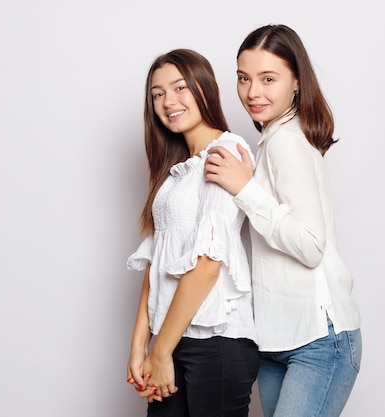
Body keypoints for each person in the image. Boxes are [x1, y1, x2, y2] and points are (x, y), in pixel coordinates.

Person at [204, 24, 362, 417]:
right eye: (244, 78)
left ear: (296, 82)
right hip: (276, 340)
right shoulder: (273, 140)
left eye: (268, 79)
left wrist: (246, 190)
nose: (252, 92)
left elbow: (310, 245)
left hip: (319, 338)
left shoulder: (287, 141)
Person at [126, 48, 259, 417]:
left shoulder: (226, 151)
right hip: (173, 339)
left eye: (180, 87)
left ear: (204, 88)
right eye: (158, 94)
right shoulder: (175, 174)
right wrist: (141, 346)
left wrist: (160, 351)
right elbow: (157, 257)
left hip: (216, 343)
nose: (169, 101)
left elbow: (207, 265)